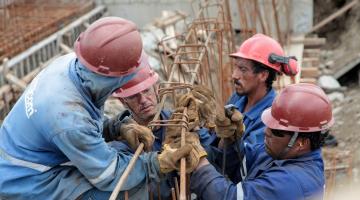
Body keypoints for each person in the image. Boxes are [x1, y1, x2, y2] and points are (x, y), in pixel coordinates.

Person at [0, 17, 194, 200]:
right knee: (128, 191)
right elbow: (108, 175)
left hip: (22, 158)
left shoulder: (73, 64)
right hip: (26, 179)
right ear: (113, 78)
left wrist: (114, 128)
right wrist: (157, 163)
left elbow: (80, 120)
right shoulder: (67, 116)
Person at [190, 83, 334, 200]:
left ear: (300, 143)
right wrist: (231, 140)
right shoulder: (283, 153)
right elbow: (245, 160)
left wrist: (199, 160)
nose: (266, 132)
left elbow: (230, 197)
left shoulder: (291, 182)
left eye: (276, 131)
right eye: (269, 126)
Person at [108, 63, 215, 199]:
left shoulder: (179, 120)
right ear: (123, 101)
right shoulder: (122, 144)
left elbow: (215, 162)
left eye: (146, 90)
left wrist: (197, 131)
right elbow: (142, 192)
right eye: (133, 96)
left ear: (157, 88)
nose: (143, 100)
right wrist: (166, 160)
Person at [209, 33, 299, 182]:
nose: (234, 75)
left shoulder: (272, 117)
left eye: (243, 69)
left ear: (263, 75)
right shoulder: (238, 98)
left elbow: (243, 165)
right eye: (236, 67)